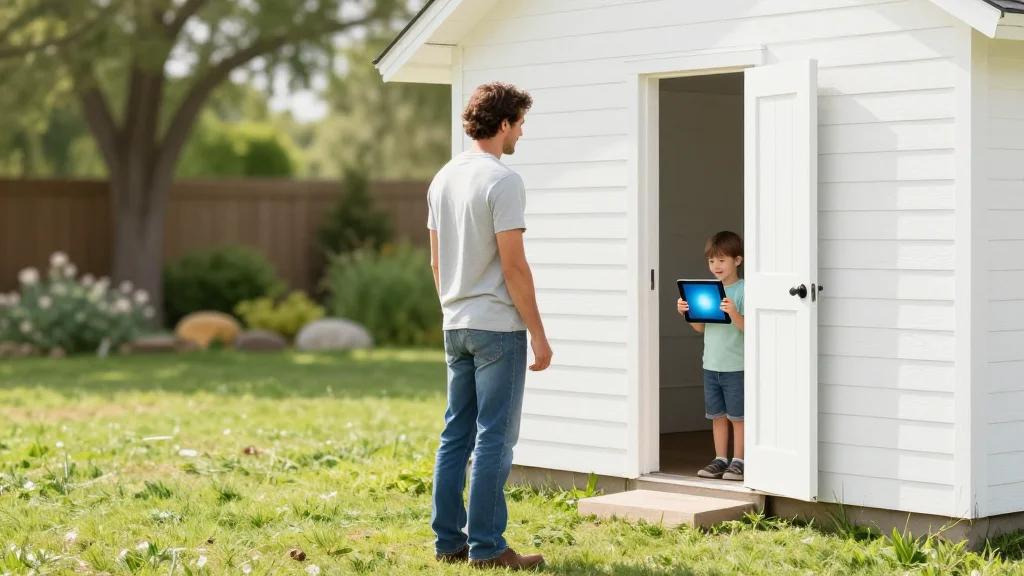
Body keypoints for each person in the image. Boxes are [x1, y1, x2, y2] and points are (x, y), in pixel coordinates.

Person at [427, 82, 552, 570]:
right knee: (494, 437)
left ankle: (448, 543)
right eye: (520, 123)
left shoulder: (443, 178)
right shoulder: (503, 180)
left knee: (455, 434)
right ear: (503, 124)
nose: (521, 132)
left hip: (455, 322)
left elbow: (436, 262)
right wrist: (538, 334)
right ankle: (488, 548)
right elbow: (514, 266)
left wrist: (451, 310)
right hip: (497, 328)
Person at [677, 231, 746, 481]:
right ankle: (720, 459)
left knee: (738, 417)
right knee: (717, 416)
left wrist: (734, 313)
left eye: (722, 260)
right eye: (711, 261)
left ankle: (739, 461)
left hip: (736, 366)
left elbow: (748, 327)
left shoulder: (743, 290)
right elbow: (701, 327)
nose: (716, 266)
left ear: (737, 261)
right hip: (712, 365)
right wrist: (687, 313)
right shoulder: (708, 291)